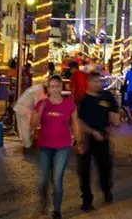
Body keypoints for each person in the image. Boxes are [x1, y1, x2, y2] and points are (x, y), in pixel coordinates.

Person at [31, 75, 81, 219]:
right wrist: (39, 111)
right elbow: (32, 125)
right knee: (42, 180)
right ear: (48, 88)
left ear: (61, 87)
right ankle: (44, 201)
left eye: (57, 86)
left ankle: (57, 210)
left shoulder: (69, 105)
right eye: (51, 87)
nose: (54, 90)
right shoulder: (42, 103)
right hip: (44, 146)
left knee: (57, 179)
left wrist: (78, 141)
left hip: (62, 147)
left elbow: (75, 124)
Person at [76, 71, 117, 211]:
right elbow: (79, 121)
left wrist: (111, 128)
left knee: (105, 167)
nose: (97, 84)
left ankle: (106, 190)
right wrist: (91, 132)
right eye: (94, 81)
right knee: (84, 170)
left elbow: (114, 113)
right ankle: (87, 199)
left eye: (99, 81)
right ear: (88, 83)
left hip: (103, 137)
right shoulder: (83, 100)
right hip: (87, 138)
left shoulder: (107, 96)